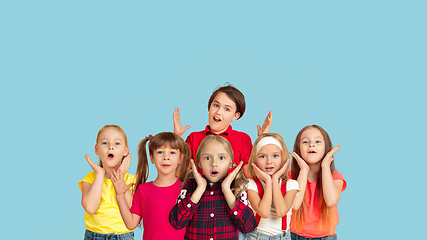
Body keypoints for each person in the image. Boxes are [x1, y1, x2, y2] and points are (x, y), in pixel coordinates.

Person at [173, 83, 272, 177]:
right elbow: (179, 172)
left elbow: (251, 175)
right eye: (216, 105)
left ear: (235, 116)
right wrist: (176, 137)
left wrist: (262, 140)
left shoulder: (242, 139)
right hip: (202, 193)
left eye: (227, 109)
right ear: (209, 106)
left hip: (231, 193)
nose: (218, 112)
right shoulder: (194, 138)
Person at [169, 135, 257, 240]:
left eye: (221, 158)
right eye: (207, 158)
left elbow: (249, 227)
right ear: (199, 163)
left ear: (230, 163)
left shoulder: (237, 188)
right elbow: (176, 223)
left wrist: (227, 191)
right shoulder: (190, 186)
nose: (214, 164)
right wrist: (199, 189)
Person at [111, 132, 190, 240]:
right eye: (160, 152)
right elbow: (130, 224)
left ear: (180, 158)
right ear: (152, 157)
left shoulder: (187, 189)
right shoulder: (143, 190)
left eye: (172, 152)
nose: (166, 157)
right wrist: (120, 195)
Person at [289, 125, 347, 240]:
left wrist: (325, 166)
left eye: (317, 141)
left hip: (326, 237)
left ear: (326, 148)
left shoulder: (336, 176)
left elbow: (330, 201)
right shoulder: (291, 177)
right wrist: (304, 170)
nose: (311, 144)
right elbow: (294, 205)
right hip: (294, 236)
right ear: (298, 148)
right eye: (305, 142)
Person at [79, 125, 134, 240]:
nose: (110, 147)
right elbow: (90, 207)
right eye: (105, 143)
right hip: (94, 236)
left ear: (125, 150)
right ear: (97, 150)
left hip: (124, 236)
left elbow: (132, 211)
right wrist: (100, 174)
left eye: (117, 143)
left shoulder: (132, 180)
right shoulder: (90, 178)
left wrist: (120, 177)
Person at [246, 133, 300, 240]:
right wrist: (267, 180)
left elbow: (281, 211)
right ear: (255, 160)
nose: (269, 161)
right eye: (262, 156)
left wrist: (274, 180)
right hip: (256, 236)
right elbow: (264, 212)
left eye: (275, 156)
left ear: (283, 159)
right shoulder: (251, 184)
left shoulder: (291, 185)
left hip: (283, 237)